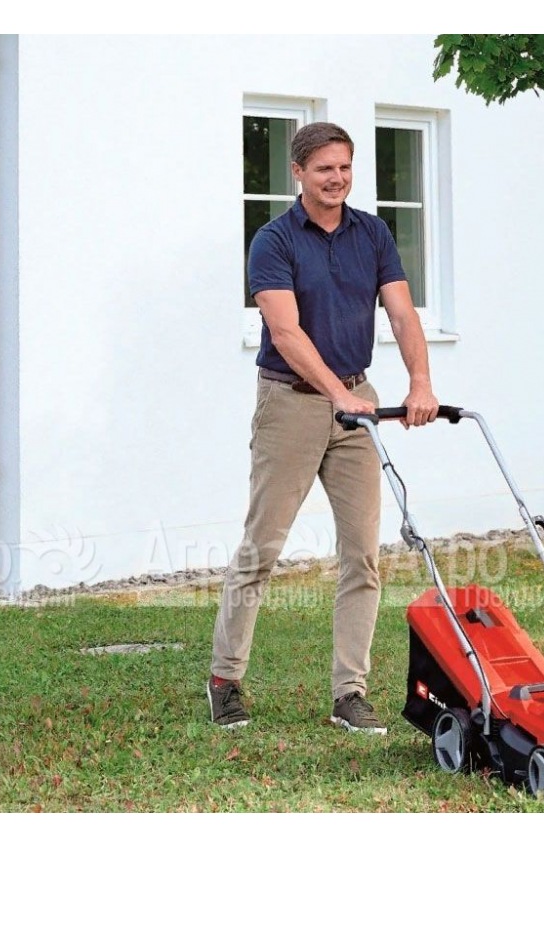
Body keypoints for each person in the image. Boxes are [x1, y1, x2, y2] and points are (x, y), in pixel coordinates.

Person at [208, 121, 439, 734]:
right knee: (262, 546)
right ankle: (225, 679)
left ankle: (350, 692)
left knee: (363, 555)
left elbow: (401, 312)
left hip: (358, 401)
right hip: (291, 402)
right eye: (324, 169)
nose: (336, 179)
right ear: (299, 173)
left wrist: (420, 383)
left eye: (344, 167)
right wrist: (339, 395)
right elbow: (285, 332)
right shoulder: (274, 240)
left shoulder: (373, 233)